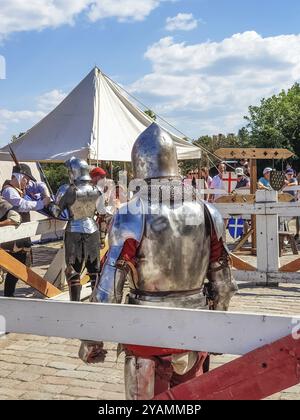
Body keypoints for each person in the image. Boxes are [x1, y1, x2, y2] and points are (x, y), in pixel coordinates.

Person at [78, 123, 237, 400]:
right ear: (174, 164)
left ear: (140, 167)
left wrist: (92, 338)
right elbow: (223, 283)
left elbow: (108, 287)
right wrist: (217, 330)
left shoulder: (131, 214)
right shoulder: (208, 212)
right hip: (195, 330)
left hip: (145, 335)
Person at [54, 157, 102, 301]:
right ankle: (96, 301)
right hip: (93, 230)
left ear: (73, 172)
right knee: (94, 271)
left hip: (74, 230)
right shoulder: (96, 189)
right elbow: (103, 213)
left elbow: (56, 212)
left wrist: (48, 203)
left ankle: (74, 304)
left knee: (73, 270)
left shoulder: (66, 189)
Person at [1, 164, 50, 297]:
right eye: (25, 179)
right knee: (14, 269)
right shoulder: (9, 191)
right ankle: (8, 296)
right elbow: (22, 205)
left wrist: (45, 194)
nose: (27, 182)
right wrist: (42, 203)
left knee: (20, 267)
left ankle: (9, 296)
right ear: (19, 176)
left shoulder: (21, 187)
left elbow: (39, 184)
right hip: (12, 238)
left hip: (20, 236)